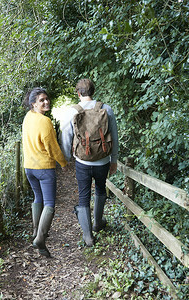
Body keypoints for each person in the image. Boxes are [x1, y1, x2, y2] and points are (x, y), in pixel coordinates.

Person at [60, 79, 118, 246]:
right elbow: (114, 137)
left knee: (83, 195)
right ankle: (98, 223)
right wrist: (113, 160)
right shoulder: (106, 109)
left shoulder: (72, 112)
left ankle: (88, 236)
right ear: (93, 91)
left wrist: (66, 159)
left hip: (82, 162)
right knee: (100, 189)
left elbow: (65, 137)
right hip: (102, 161)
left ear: (78, 93)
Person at [22, 87, 67, 257]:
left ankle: (36, 231)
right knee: (49, 203)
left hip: (29, 167)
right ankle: (40, 238)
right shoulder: (45, 121)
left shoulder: (28, 118)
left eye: (47, 99)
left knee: (38, 198)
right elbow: (52, 147)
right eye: (41, 100)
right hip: (44, 168)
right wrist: (63, 162)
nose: (46, 102)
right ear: (33, 103)